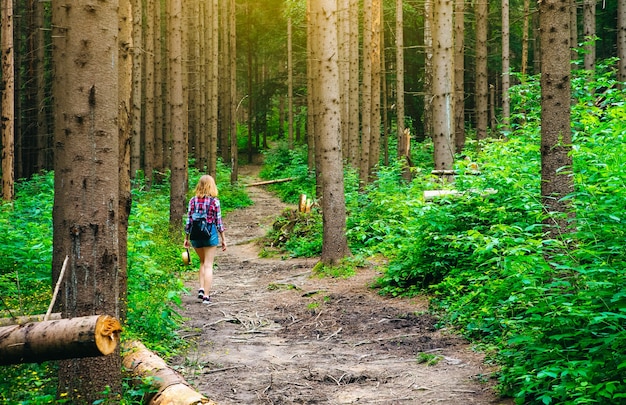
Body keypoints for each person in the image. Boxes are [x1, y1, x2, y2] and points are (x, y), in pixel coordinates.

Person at [184, 175, 227, 304]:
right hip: (210, 235)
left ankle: (201, 288)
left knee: (202, 262)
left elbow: (189, 221)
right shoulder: (215, 201)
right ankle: (206, 296)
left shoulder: (192, 201)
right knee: (208, 264)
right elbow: (218, 223)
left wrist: (186, 238)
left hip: (195, 236)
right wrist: (223, 239)